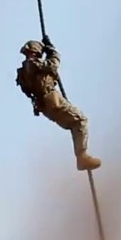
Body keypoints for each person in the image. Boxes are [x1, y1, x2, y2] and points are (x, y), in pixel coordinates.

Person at [15, 37, 101, 171]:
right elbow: (53, 64)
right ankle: (82, 156)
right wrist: (52, 51)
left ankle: (81, 155)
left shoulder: (23, 72)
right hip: (51, 100)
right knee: (80, 121)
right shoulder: (33, 64)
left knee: (74, 124)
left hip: (45, 106)